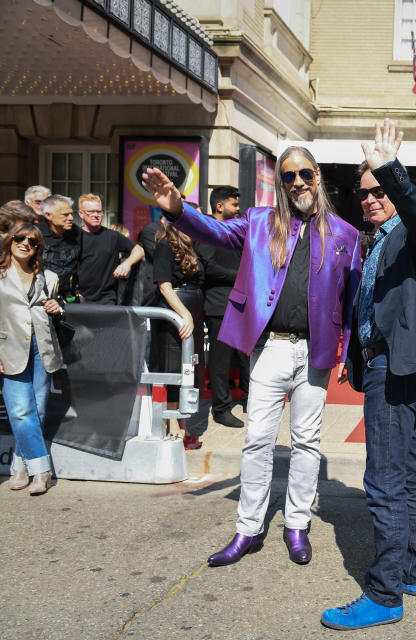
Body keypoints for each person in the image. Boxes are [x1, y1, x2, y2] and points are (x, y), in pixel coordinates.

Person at [141, 144, 361, 568]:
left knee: (307, 442)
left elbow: (349, 300)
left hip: (313, 352)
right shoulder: (260, 222)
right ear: (280, 183)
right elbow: (215, 232)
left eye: (305, 174)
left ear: (318, 177)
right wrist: (177, 210)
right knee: (258, 440)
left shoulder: (345, 235)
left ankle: (297, 524)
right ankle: (248, 528)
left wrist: (342, 353)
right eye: (288, 176)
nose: (297, 182)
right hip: (270, 349)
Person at [321, 120, 416, 631]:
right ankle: (413, 571)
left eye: (378, 191)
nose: (370, 199)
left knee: (384, 480)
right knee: (406, 475)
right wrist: (356, 353)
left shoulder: (411, 235)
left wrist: (390, 168)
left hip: (397, 369)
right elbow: (368, 305)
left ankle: (384, 593)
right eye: (363, 191)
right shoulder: (374, 242)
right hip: (381, 362)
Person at [0, 223, 63, 495]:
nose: (25, 243)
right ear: (10, 241)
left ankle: (19, 466)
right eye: (20, 238)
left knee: (36, 410)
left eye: (33, 241)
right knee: (20, 411)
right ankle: (41, 469)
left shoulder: (47, 276)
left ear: (39, 248)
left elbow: (58, 305)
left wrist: (58, 307)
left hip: (42, 345)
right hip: (8, 347)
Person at [195, 186, 248, 428]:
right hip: (218, 305)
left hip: (240, 302)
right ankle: (221, 409)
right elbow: (207, 266)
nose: (238, 209)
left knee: (246, 353)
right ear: (219, 206)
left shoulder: (235, 230)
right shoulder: (208, 231)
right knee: (220, 360)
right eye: (234, 205)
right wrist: (239, 276)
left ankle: (250, 399)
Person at [150, 220, 206, 449]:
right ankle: (174, 428)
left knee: (188, 370)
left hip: (191, 314)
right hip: (175, 315)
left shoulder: (192, 248)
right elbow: (164, 285)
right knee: (174, 369)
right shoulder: (165, 245)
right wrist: (184, 314)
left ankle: (183, 424)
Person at [76, 194, 145, 304]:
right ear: (81, 214)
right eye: (91, 211)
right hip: (80, 298)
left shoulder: (113, 236)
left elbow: (139, 250)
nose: (96, 215)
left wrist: (126, 264)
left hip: (107, 299)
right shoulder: (75, 237)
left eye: (99, 211)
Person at [37, 195, 81, 302]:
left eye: (71, 214)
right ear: (48, 215)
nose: (71, 218)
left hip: (69, 299)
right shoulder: (36, 234)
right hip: (42, 298)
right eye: (65, 215)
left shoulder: (76, 232)